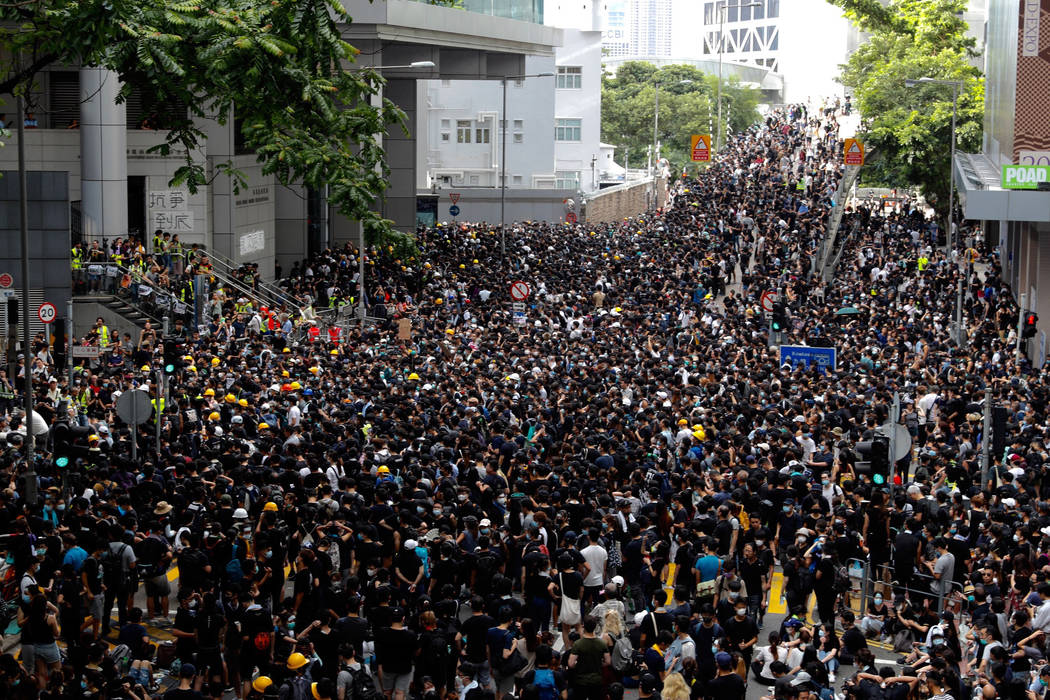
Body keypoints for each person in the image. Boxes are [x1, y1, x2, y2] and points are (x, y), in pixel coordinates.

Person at [567, 615, 608, 700]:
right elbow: (608, 661)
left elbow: (571, 664)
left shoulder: (578, 644)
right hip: (597, 680)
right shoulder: (601, 643)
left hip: (581, 680)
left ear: (583, 626)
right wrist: (599, 664)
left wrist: (579, 665)